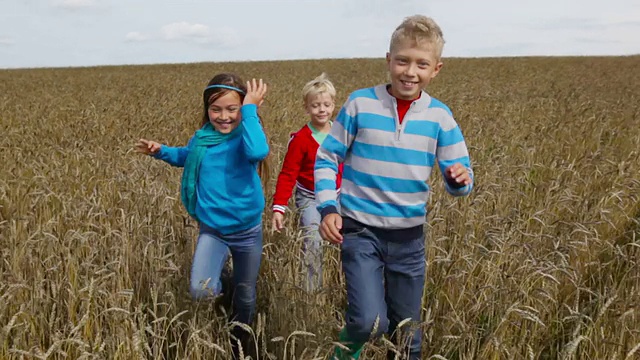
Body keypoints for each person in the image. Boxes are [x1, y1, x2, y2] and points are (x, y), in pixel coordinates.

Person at [314, 15, 474, 359]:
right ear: (388, 60)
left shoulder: (440, 118)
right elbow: (327, 158)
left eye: (421, 64)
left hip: (409, 240)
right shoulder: (359, 104)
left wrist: (458, 180)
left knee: (408, 338)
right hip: (359, 231)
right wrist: (328, 208)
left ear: (436, 69)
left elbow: (461, 177)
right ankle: (341, 354)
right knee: (369, 323)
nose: (410, 72)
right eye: (402, 60)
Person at [134, 73, 269, 359]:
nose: (223, 116)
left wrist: (250, 111)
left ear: (242, 108)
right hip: (213, 230)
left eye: (232, 109)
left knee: (245, 296)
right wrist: (161, 152)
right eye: (215, 109)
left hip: (247, 230)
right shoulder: (202, 138)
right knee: (201, 290)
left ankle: (240, 340)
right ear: (206, 110)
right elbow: (187, 155)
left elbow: (259, 150)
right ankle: (225, 282)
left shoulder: (246, 137)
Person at [271, 73, 343, 292]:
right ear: (306, 107)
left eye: (326, 105)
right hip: (309, 198)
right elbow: (287, 174)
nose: (321, 110)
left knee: (347, 241)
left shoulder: (341, 134)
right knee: (313, 241)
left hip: (338, 195)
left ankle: (343, 288)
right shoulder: (300, 139)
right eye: (315, 105)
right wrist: (279, 207)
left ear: (333, 106)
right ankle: (312, 293)